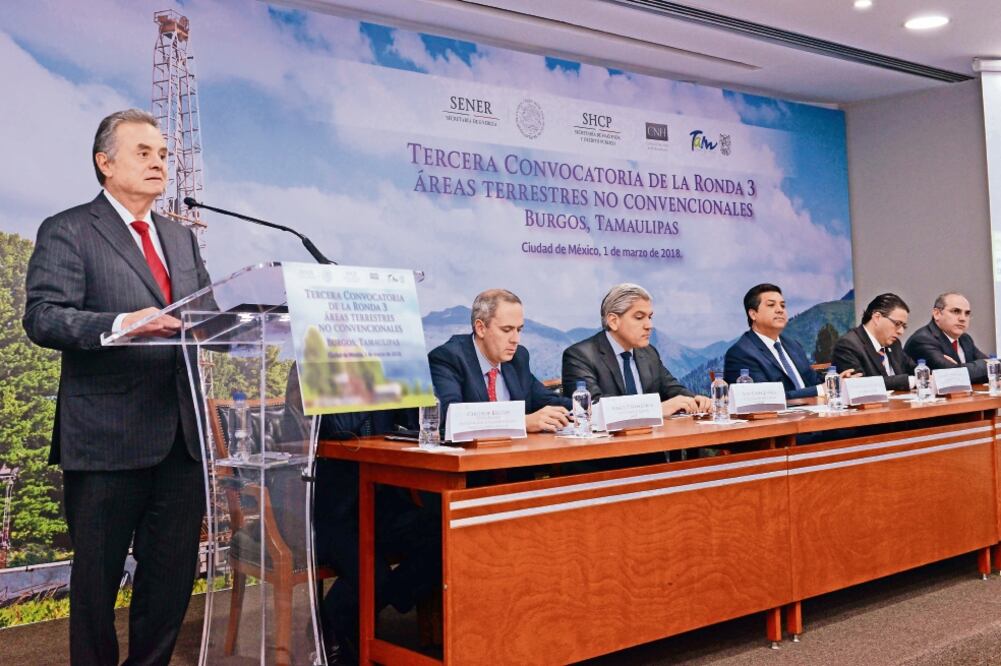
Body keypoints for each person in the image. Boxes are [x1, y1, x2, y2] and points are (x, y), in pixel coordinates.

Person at [22, 109, 213, 665]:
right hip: (106, 437)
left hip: (181, 438)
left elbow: (204, 314)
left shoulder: (179, 236)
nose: (158, 163)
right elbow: (43, 317)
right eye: (143, 152)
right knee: (96, 586)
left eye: (163, 154)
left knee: (171, 578)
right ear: (105, 163)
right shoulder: (69, 228)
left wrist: (241, 322)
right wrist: (119, 324)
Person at [282, 367, 437, 664]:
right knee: (373, 574)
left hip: (381, 498)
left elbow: (413, 423)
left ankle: (340, 616)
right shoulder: (313, 362)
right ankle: (341, 627)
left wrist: (411, 383)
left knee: (440, 535)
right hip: (326, 508)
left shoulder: (388, 365)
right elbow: (344, 428)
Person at [428, 289, 571, 432]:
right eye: (507, 330)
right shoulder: (449, 358)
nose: (515, 339)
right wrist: (521, 422)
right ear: (481, 328)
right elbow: (450, 418)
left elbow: (550, 402)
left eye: (519, 330)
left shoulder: (518, 358)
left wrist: (586, 408)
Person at [561, 283, 711, 415]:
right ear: (613, 321)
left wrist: (695, 401)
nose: (649, 325)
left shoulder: (649, 353)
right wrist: (657, 409)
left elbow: (672, 390)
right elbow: (591, 409)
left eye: (650, 317)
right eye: (639, 317)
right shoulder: (579, 356)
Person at [724, 283, 855, 398]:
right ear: (753, 314)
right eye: (771, 305)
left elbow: (812, 380)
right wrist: (820, 389)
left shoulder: (793, 345)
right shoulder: (741, 353)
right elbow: (763, 398)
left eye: (782, 305)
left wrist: (835, 381)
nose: (780, 310)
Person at [831, 293, 916, 391]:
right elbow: (861, 385)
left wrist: (924, 375)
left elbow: (914, 369)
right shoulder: (848, 345)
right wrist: (910, 381)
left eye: (904, 326)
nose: (901, 331)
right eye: (897, 324)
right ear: (877, 317)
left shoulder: (894, 344)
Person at [904, 292, 989, 383]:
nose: (963, 318)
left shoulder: (965, 339)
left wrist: (989, 365)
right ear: (937, 314)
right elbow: (953, 376)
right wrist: (988, 365)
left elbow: (990, 366)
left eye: (967, 313)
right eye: (956, 311)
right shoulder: (922, 340)